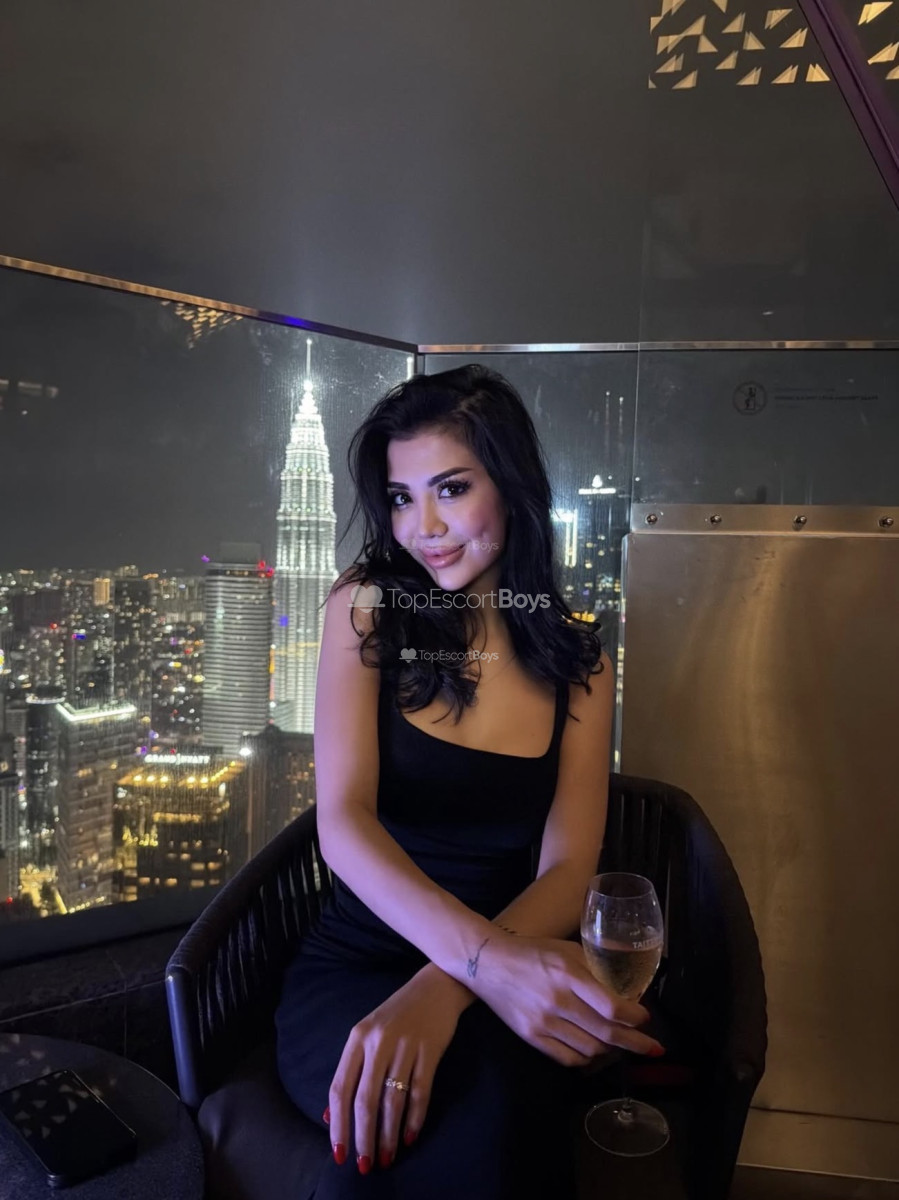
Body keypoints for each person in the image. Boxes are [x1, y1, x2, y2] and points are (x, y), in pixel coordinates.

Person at [274, 363, 664, 1198]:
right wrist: (475, 966)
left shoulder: (580, 662)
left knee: (493, 1130)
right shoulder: (365, 609)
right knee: (394, 1139)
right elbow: (343, 823)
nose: (424, 527)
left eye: (450, 488)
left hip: (517, 959)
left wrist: (452, 985)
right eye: (401, 497)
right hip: (362, 958)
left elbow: (570, 867)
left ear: (510, 486)